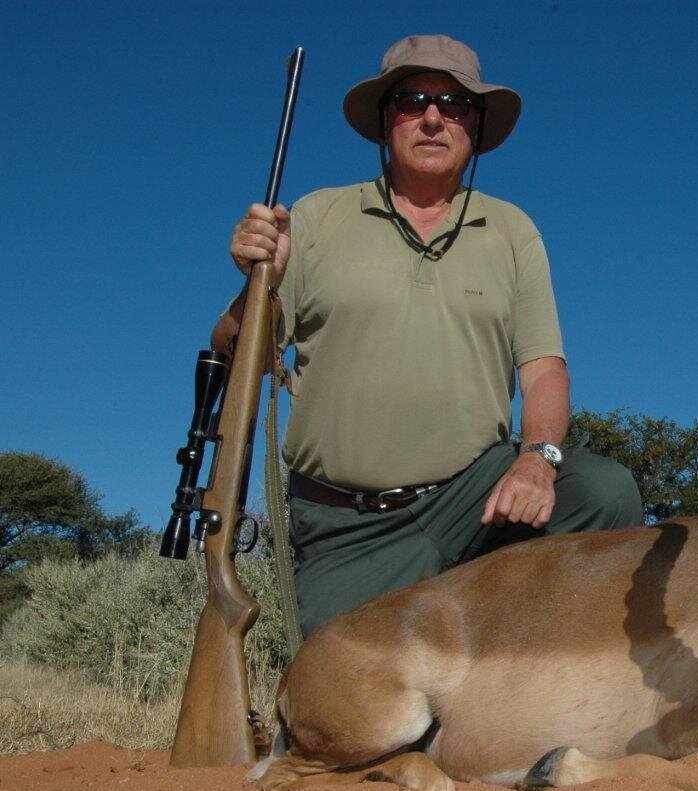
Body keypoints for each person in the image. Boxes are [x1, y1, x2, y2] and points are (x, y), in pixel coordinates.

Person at [216, 35, 643, 637]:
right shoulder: (316, 217)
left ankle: (538, 679)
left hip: (475, 500)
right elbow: (240, 357)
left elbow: (544, 368)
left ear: (476, 126)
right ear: (385, 122)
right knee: (348, 721)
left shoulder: (511, 230)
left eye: (456, 104)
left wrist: (537, 459)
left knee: (603, 491)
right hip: (352, 522)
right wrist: (257, 285)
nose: (434, 117)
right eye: (412, 101)